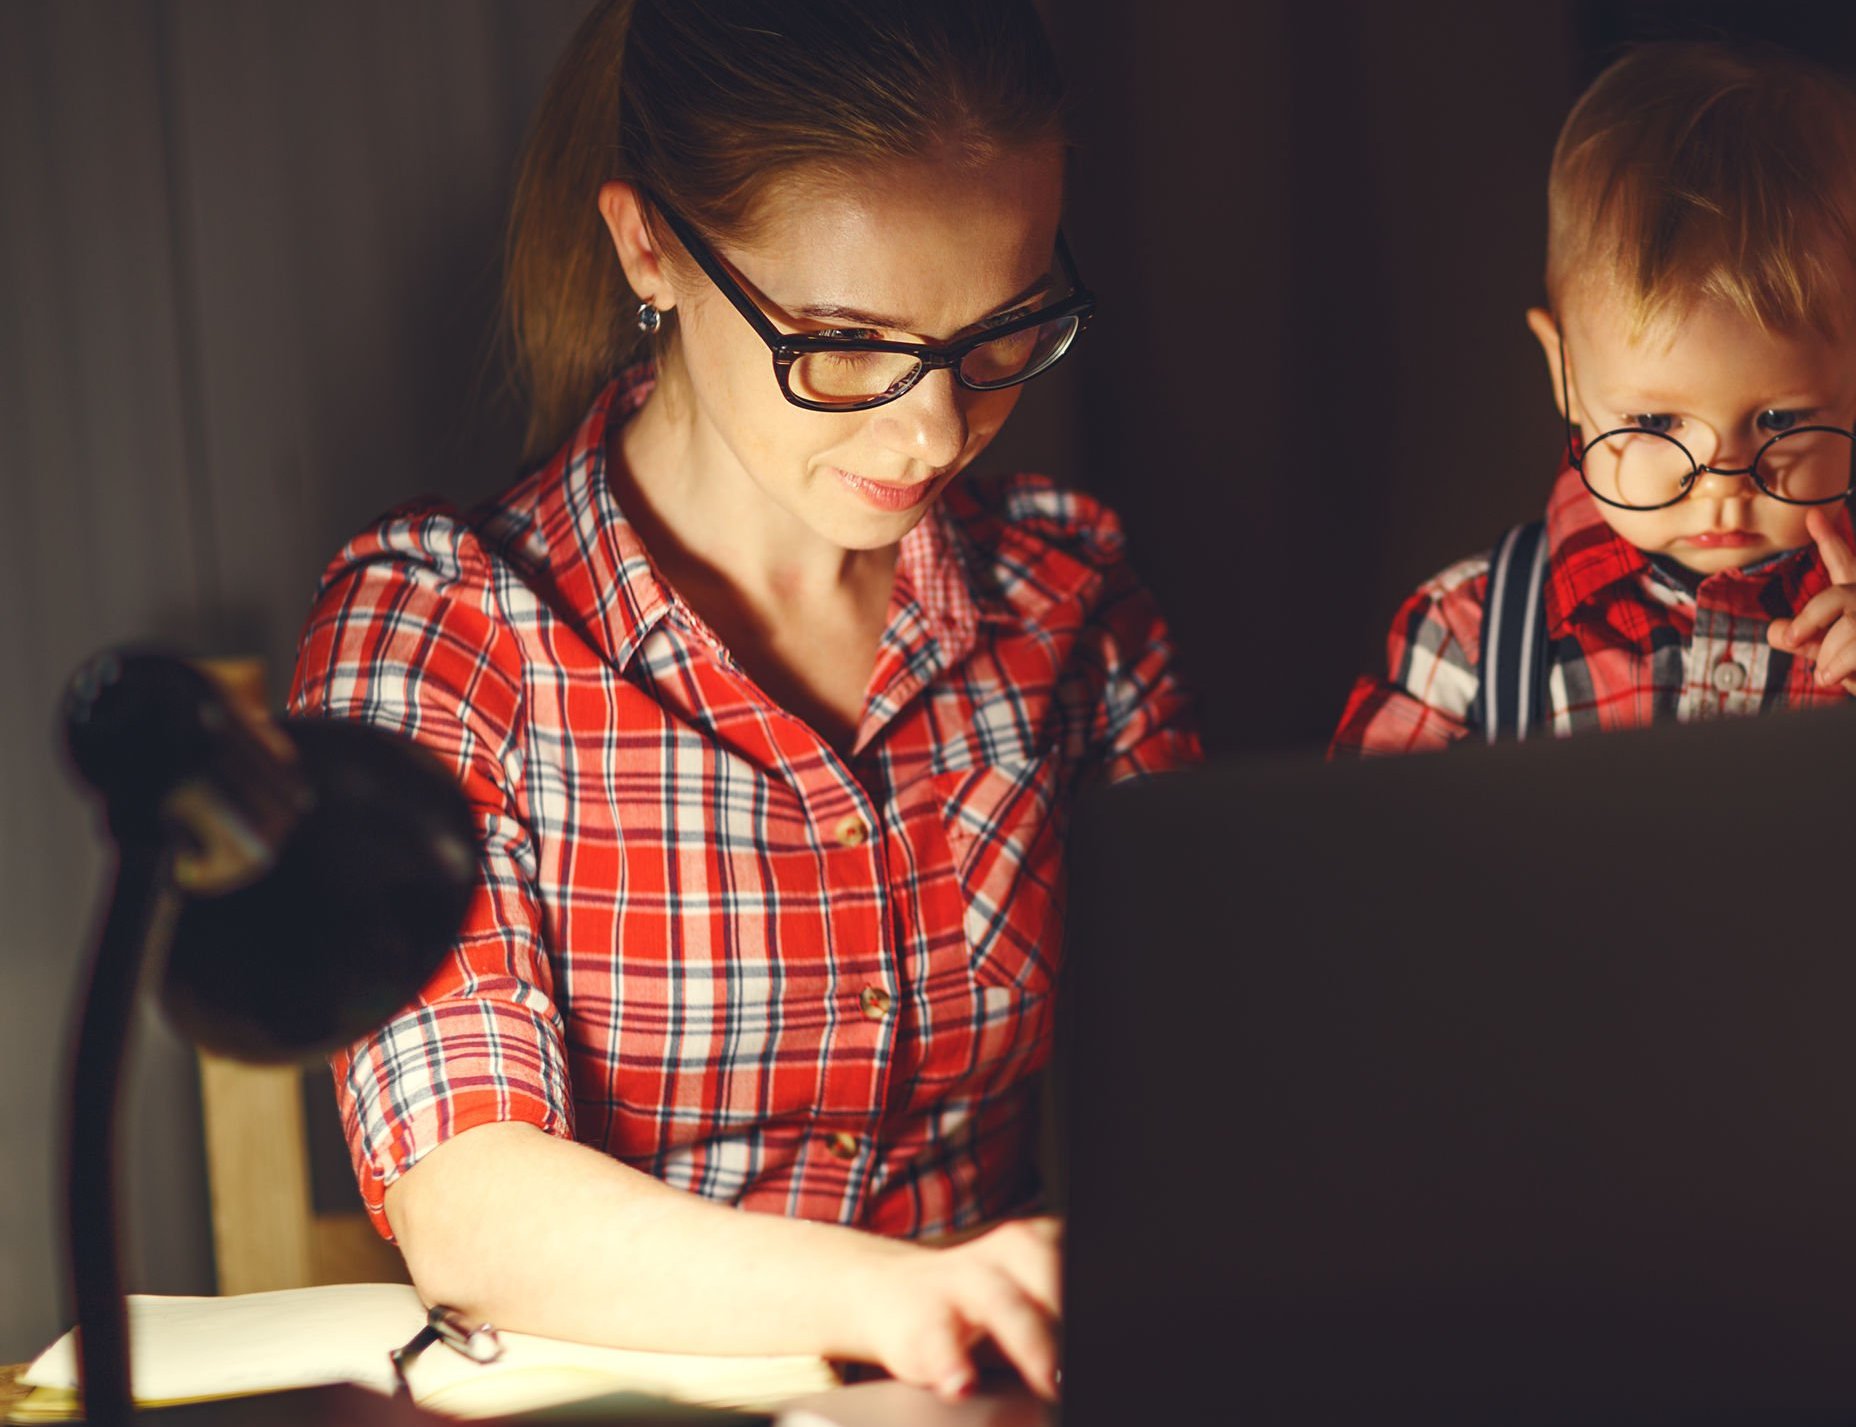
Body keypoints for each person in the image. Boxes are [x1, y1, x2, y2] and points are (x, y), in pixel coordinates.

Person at [286, 0, 1195, 1399]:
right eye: (844, 343)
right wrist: (898, 1291)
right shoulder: (445, 630)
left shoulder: (1066, 601)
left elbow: (1219, 1069)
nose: (930, 430)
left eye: (999, 335)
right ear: (650, 244)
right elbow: (464, 1196)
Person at [1332, 39, 1856, 1303]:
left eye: (1779, 422)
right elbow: (1357, 892)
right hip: (1587, 1066)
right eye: (1656, 423)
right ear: (1565, 371)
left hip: (1848, 1057)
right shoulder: (1467, 628)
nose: (1721, 481)